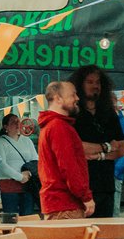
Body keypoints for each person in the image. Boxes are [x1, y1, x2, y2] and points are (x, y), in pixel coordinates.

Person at [70, 65, 124, 217]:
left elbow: (122, 149)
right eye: (90, 82)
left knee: (106, 232)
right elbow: (76, 148)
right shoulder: (73, 115)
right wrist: (107, 147)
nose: (95, 86)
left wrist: (97, 155)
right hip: (82, 187)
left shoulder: (108, 113)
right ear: (80, 85)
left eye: (98, 82)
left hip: (106, 185)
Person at [37, 82, 93, 219]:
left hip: (58, 205)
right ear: (58, 99)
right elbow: (69, 166)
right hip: (65, 205)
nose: (77, 98)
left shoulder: (51, 126)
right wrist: (86, 196)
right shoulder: (59, 127)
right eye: (72, 94)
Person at [0, 112, 40, 217]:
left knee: (28, 216)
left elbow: (35, 160)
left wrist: (28, 173)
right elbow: (2, 166)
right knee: (11, 217)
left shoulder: (27, 140)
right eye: (13, 122)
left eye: (18, 121)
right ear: (6, 126)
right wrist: (20, 177)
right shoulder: (0, 142)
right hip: (9, 186)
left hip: (27, 186)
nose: (17, 124)